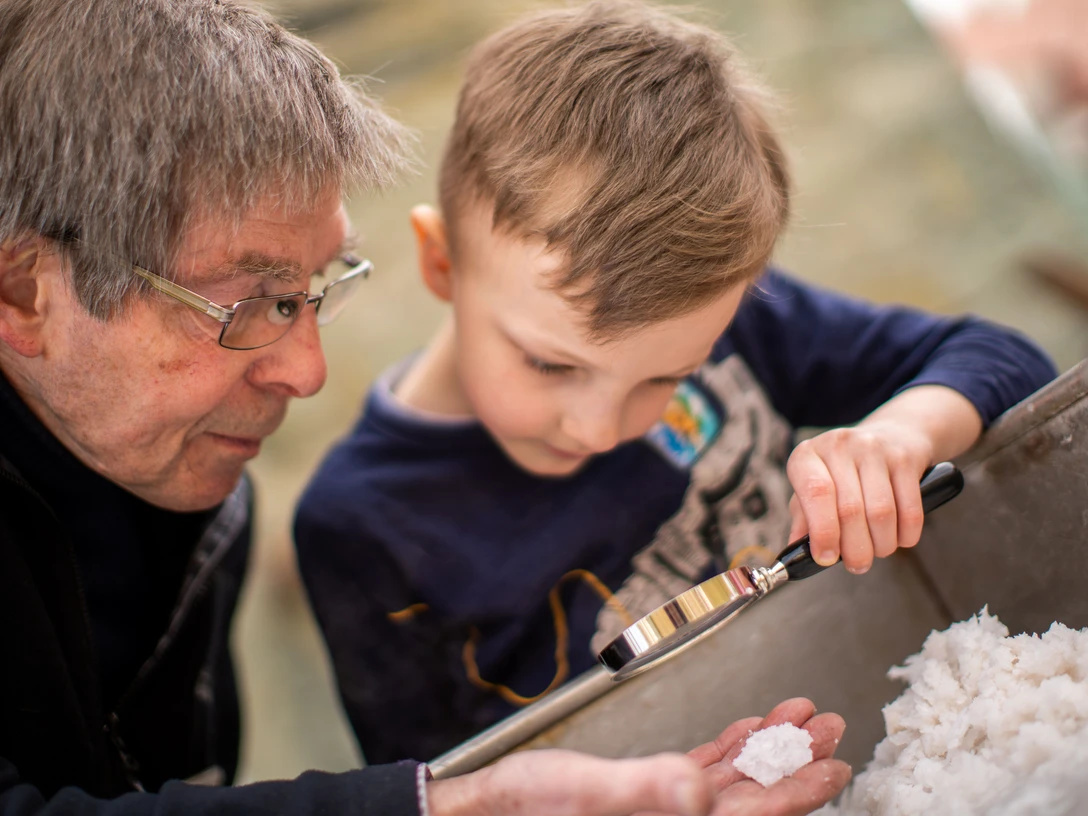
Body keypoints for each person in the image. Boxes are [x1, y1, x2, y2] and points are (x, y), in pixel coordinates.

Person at [0, 0, 852, 814]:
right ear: (24, 293)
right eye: (255, 302)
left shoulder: (193, 491)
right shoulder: (321, 516)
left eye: (315, 288)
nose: (309, 372)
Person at [294, 0, 1059, 768]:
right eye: (551, 364)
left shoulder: (738, 322)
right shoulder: (362, 526)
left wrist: (898, 436)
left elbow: (1001, 357)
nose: (599, 429)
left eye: (669, 377)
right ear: (441, 262)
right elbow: (431, 790)